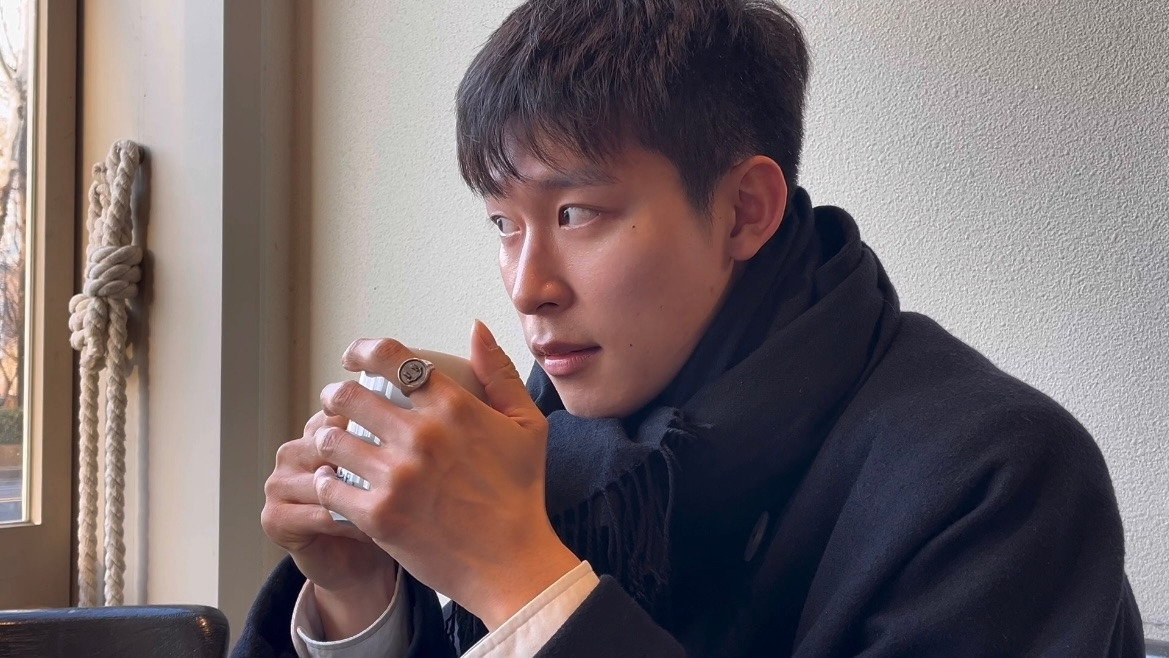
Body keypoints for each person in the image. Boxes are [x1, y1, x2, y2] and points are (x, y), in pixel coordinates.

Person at [233, 0, 1145, 656]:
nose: (526, 288)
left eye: (577, 213)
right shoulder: (547, 437)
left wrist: (515, 576)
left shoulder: (996, 476)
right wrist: (359, 597)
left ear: (745, 210)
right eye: (503, 223)